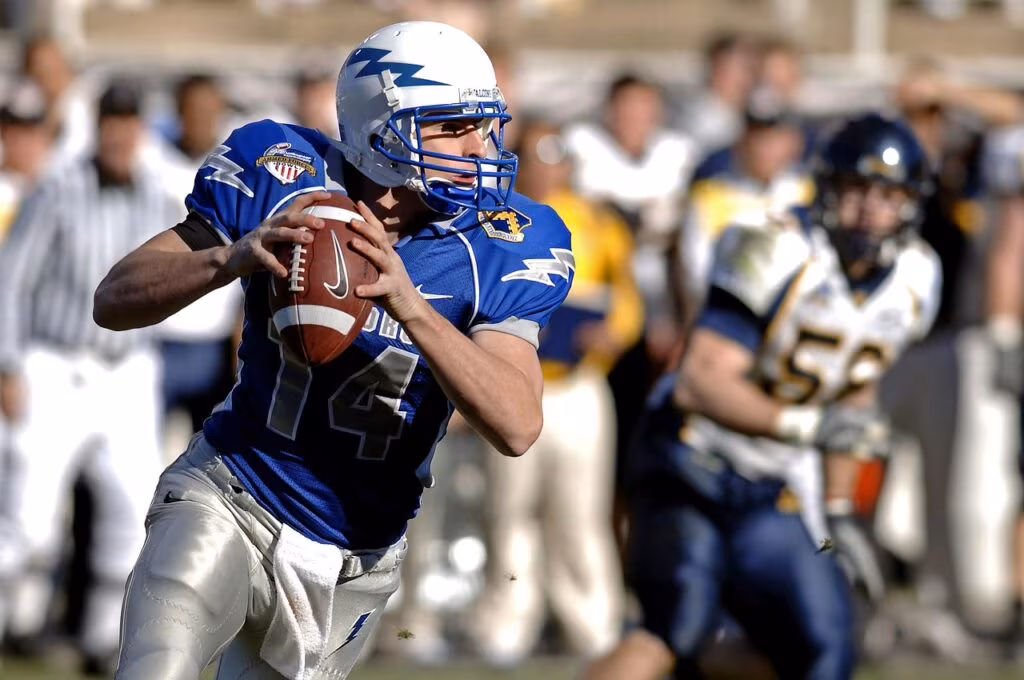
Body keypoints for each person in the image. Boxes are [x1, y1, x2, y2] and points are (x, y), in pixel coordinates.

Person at [92, 20, 572, 680]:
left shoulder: (506, 240)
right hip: (233, 491)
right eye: (454, 127)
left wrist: (412, 308)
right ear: (384, 129)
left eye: (484, 125)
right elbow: (114, 298)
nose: (481, 145)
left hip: (356, 555)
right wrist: (227, 259)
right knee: (153, 670)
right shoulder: (283, 171)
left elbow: (517, 424)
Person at [582, 113, 941, 680]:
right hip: (689, 456)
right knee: (674, 629)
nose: (871, 208)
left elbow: (853, 390)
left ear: (911, 202)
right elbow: (702, 380)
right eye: (857, 190)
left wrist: (841, 509)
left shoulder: (917, 277)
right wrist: (806, 428)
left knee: (824, 652)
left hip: (775, 481)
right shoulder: (773, 243)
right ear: (826, 187)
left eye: (889, 194)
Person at [0, 79, 176, 673]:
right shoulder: (58, 188)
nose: (119, 133)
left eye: (130, 121)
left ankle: (103, 641)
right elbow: (13, 280)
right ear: (97, 126)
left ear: (141, 129)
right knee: (30, 519)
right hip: (57, 363)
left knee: (130, 515)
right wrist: (7, 364)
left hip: (129, 370)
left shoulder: (155, 194)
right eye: (111, 121)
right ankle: (14, 623)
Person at [468, 119, 641, 665]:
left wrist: (611, 336)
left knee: (580, 511)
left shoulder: (598, 222)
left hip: (578, 384)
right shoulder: (493, 216)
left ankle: (592, 623)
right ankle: (508, 622)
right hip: (514, 381)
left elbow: (629, 301)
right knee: (509, 509)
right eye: (535, 155)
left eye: (554, 155)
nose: (546, 167)